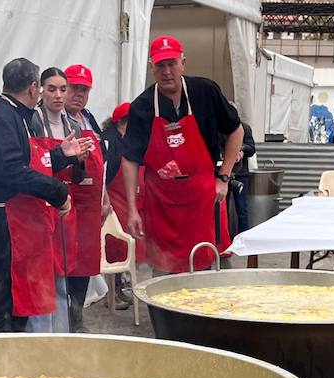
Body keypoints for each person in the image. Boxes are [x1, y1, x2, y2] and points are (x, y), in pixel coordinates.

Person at [121, 36, 245, 274]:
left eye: (172, 63)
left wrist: (223, 178)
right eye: (160, 65)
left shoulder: (205, 91)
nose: (167, 71)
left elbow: (236, 131)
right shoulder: (142, 107)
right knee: (163, 274)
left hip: (202, 199)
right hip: (161, 205)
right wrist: (132, 209)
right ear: (151, 67)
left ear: (183, 63)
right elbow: (130, 160)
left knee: (203, 267)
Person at [0, 58, 78, 333]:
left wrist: (59, 156)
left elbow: (30, 163)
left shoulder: (15, 114)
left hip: (20, 222)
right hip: (5, 222)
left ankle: (17, 348)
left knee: (19, 295)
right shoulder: (0, 117)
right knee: (4, 296)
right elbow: (12, 171)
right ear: (34, 87)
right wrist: (58, 191)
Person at [28, 67, 89, 332]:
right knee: (39, 273)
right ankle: (39, 333)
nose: (58, 95)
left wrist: (80, 162)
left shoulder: (74, 126)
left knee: (62, 272)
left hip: (64, 206)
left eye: (63, 89)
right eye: (51, 89)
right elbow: (31, 167)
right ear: (40, 90)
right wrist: (61, 155)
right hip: (38, 205)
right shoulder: (31, 120)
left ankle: (63, 332)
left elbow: (77, 178)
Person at [60, 63, 113, 332]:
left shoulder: (89, 118)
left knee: (85, 264)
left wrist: (105, 198)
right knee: (66, 262)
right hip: (68, 203)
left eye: (84, 89)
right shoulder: (53, 120)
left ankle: (77, 316)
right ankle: (65, 319)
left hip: (91, 206)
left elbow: (102, 162)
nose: (79, 94)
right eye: (74, 88)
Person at [101, 101, 137, 306]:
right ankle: (110, 294)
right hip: (112, 199)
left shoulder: (125, 139)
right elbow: (105, 175)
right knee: (113, 247)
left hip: (123, 200)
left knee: (122, 247)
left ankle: (118, 289)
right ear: (124, 122)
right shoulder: (110, 141)